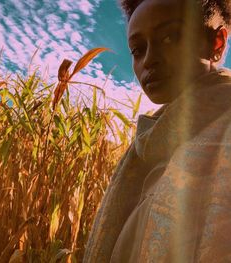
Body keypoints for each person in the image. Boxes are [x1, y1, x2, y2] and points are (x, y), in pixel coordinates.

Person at [84, 0, 231, 262]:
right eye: (138, 49)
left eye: (170, 37)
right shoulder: (146, 147)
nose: (149, 59)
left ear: (217, 43)